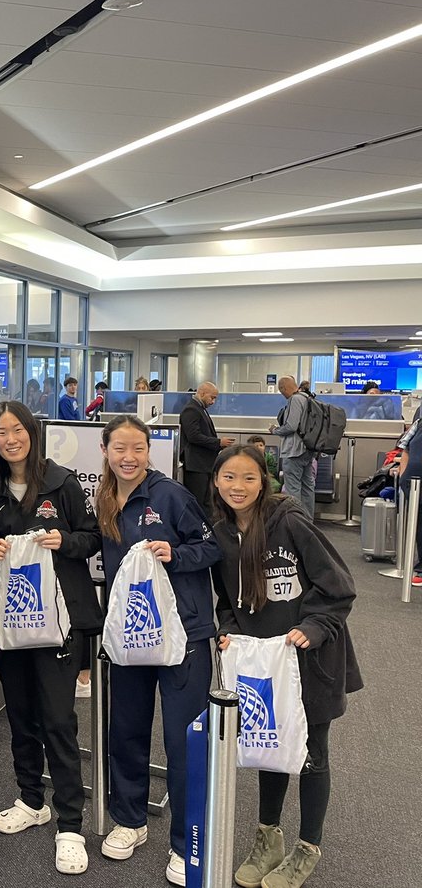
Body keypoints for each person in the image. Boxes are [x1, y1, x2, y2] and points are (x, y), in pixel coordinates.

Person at [210, 445, 362, 888]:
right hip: (262, 662)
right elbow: (226, 598)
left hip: (310, 659)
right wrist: (227, 627)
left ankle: (306, 847)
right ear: (216, 481)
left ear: (265, 482)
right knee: (270, 747)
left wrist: (313, 628)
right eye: (229, 478)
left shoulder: (289, 522)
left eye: (249, 478)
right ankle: (267, 839)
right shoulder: (221, 532)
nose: (238, 487)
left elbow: (338, 587)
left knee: (313, 752)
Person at [95, 415, 221, 887]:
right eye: (119, 449)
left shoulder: (171, 496)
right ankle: (130, 821)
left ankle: (186, 840)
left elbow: (210, 547)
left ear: (150, 452)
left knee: (182, 737)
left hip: (182, 634)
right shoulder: (105, 498)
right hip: (131, 634)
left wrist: (177, 554)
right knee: (125, 729)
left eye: (138, 449)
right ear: (105, 451)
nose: (129, 457)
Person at [0, 401, 103, 875]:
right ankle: (32, 800)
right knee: (23, 717)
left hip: (58, 623)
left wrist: (62, 542)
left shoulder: (62, 482)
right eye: (1, 432)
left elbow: (91, 539)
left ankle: (70, 824)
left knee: (57, 719)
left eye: (18, 430)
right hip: (12, 624)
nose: (10, 439)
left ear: (33, 432)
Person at [178, 382, 235, 511]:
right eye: (212, 397)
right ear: (202, 393)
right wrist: (218, 443)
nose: (213, 402)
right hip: (196, 465)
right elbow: (194, 436)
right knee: (198, 502)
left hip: (204, 465)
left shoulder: (200, 409)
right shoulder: (191, 409)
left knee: (207, 502)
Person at [269, 376, 317, 518]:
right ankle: (308, 521)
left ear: (283, 388)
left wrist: (275, 430)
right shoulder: (308, 397)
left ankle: (295, 521)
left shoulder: (295, 399)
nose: (282, 394)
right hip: (308, 449)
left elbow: (291, 426)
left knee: (293, 489)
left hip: (294, 451)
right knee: (308, 487)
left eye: (281, 390)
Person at [393, 406, 422, 588]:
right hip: (414, 482)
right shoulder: (419, 422)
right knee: (418, 524)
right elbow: (405, 448)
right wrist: (404, 476)